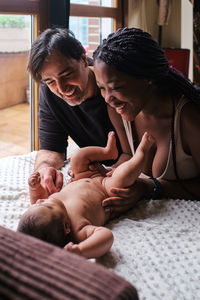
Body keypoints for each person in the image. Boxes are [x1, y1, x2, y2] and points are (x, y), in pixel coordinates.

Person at [92, 27, 200, 217]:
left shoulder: (188, 119)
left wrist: (149, 188)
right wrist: (108, 173)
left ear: (147, 78)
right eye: (102, 88)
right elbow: (127, 154)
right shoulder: (118, 110)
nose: (108, 98)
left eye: (115, 87)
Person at [27, 27, 131, 199]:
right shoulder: (49, 94)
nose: (62, 89)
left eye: (67, 75)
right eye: (51, 81)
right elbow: (52, 148)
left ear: (84, 60)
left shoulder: (112, 86)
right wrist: (44, 169)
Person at [17, 131, 154, 259]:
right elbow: (106, 237)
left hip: (81, 176)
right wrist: (81, 251)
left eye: (37, 203)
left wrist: (34, 187)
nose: (41, 200)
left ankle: (108, 152)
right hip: (106, 188)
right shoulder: (78, 230)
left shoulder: (43, 208)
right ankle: (142, 152)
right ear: (66, 227)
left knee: (77, 157)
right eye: (45, 205)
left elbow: (36, 200)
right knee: (123, 177)